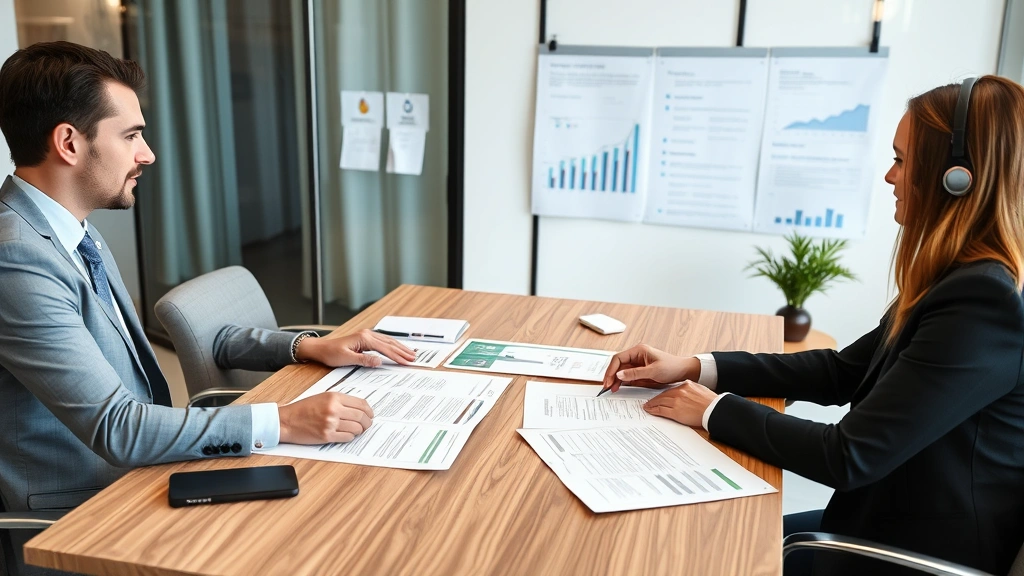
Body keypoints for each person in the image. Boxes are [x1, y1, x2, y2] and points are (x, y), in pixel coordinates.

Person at [0, 42, 416, 576]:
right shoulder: (17, 259)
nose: (147, 154)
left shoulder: (71, 232)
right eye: (131, 136)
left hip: (145, 477)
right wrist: (285, 420)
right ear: (68, 143)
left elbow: (199, 343)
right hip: (85, 520)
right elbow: (118, 428)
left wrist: (306, 346)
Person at [600, 75, 1024, 576]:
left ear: (956, 177)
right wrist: (693, 367)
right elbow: (841, 372)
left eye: (901, 160)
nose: (889, 176)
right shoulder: (961, 279)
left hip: (911, 556)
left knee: (698, 550)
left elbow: (848, 455)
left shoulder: (985, 301)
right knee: (695, 530)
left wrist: (712, 409)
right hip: (876, 522)